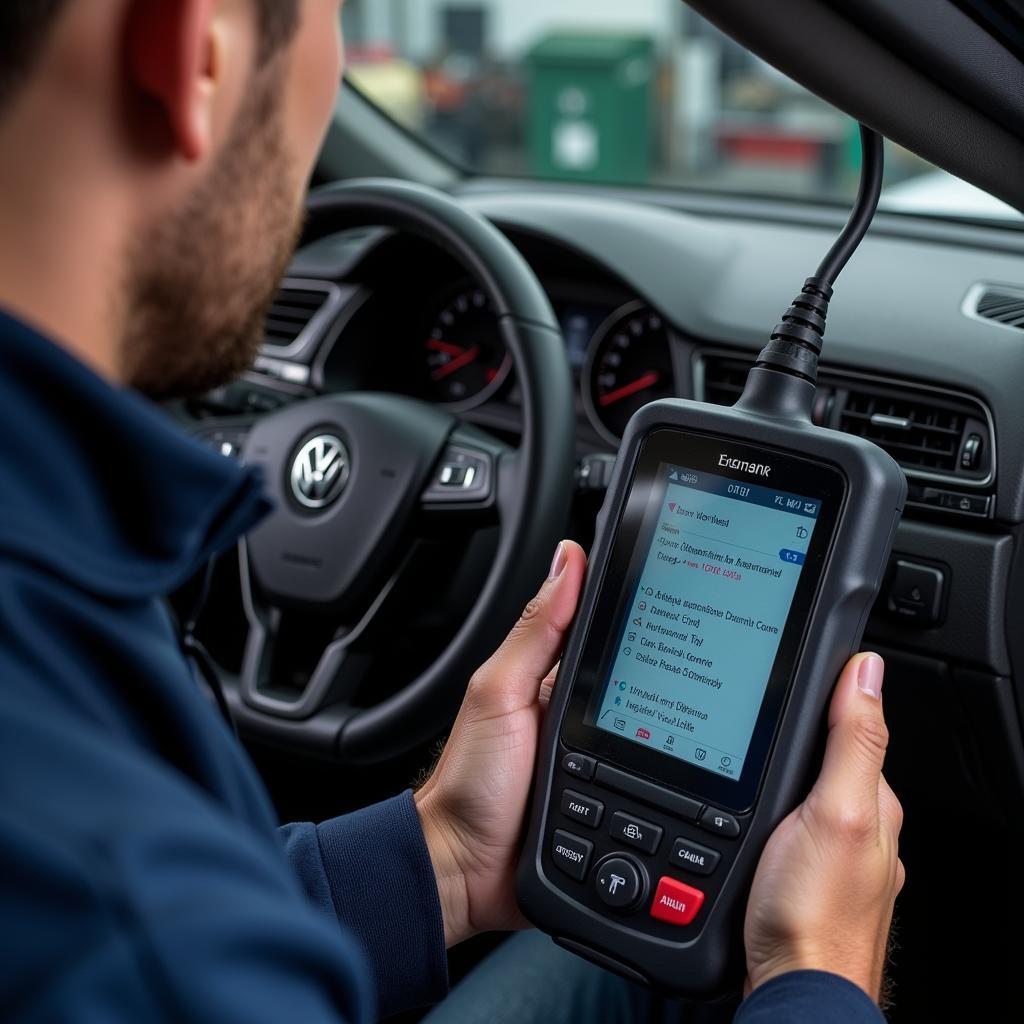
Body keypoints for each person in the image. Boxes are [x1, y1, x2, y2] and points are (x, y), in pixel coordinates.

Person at [0, 2, 904, 1022]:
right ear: (190, 48)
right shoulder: (126, 932)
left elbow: (202, 909)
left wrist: (447, 856)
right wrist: (814, 965)